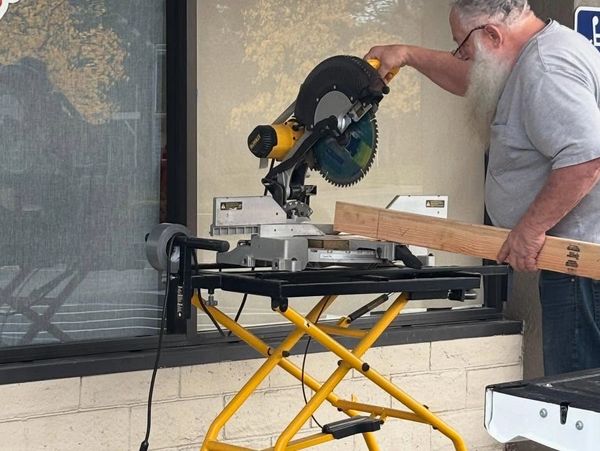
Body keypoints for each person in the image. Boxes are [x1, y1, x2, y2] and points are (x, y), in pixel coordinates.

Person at [365, 0, 600, 376]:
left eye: (463, 45)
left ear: (491, 34)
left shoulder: (546, 68)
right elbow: (471, 77)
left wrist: (529, 231)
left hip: (581, 267)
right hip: (576, 265)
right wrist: (406, 55)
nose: (461, 55)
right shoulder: (525, 55)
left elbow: (585, 159)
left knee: (577, 395)